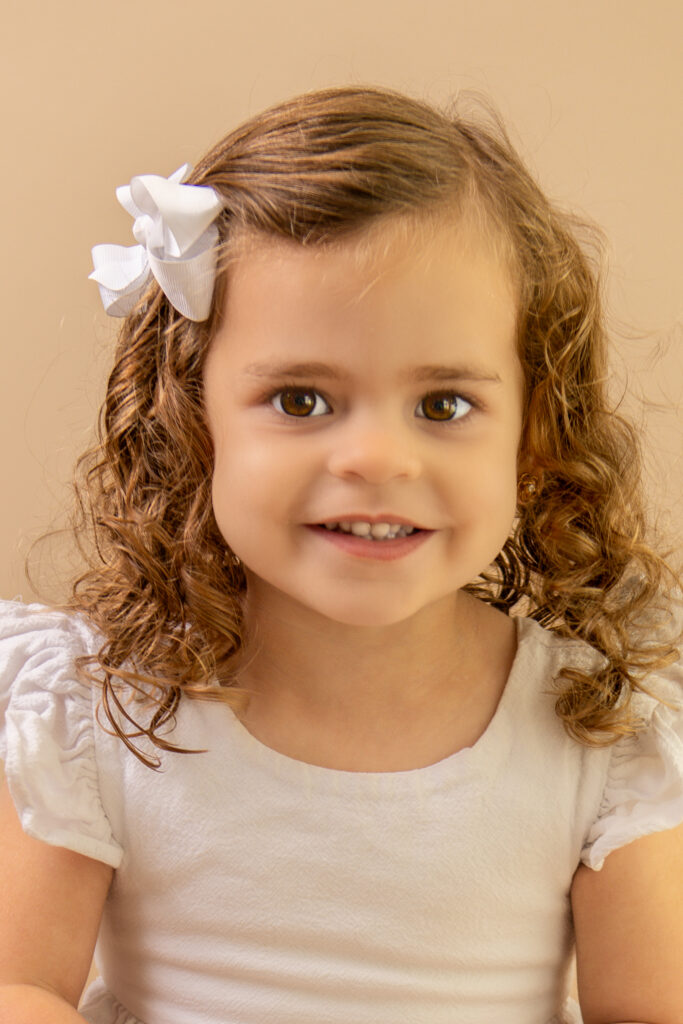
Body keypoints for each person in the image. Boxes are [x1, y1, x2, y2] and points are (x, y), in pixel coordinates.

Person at [0, 85, 681, 1024]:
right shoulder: (106, 708)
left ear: (532, 438)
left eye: (442, 404)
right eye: (301, 400)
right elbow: (20, 987)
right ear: (192, 421)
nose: (373, 459)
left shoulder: (596, 725)